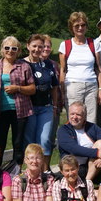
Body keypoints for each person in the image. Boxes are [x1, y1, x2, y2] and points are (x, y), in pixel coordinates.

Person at [0, 36, 36, 166]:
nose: (10, 51)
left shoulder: (24, 67)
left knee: (18, 143)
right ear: (2, 49)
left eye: (14, 48)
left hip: (20, 111)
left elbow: (32, 88)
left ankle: (16, 172)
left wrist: (17, 88)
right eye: (7, 48)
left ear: (18, 51)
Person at [59, 11, 101, 125]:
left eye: (83, 25)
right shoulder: (65, 45)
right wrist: (62, 90)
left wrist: (100, 89)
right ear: (71, 27)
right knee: (74, 120)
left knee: (91, 120)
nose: (80, 28)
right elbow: (63, 70)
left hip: (91, 86)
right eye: (77, 26)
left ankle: (89, 142)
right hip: (73, 86)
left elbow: (98, 68)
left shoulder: (94, 44)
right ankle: (74, 142)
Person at [56, 101, 101, 182]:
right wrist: (98, 153)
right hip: (72, 167)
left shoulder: (92, 127)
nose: (75, 117)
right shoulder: (63, 130)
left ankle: (87, 182)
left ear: (84, 116)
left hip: (91, 166)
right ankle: (86, 183)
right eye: (72, 114)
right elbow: (73, 149)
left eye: (78, 114)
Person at [23, 34, 59, 162]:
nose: (37, 49)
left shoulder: (48, 64)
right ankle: (29, 172)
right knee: (29, 140)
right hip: (28, 108)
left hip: (46, 107)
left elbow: (54, 86)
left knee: (44, 139)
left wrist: (54, 105)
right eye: (34, 46)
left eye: (40, 46)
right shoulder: (22, 64)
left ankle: (44, 171)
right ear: (28, 46)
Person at [42, 34, 63, 167]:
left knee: (49, 138)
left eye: (48, 46)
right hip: (36, 106)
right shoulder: (29, 64)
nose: (45, 48)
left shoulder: (56, 65)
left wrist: (58, 105)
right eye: (43, 46)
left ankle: (46, 168)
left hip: (54, 106)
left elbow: (60, 86)